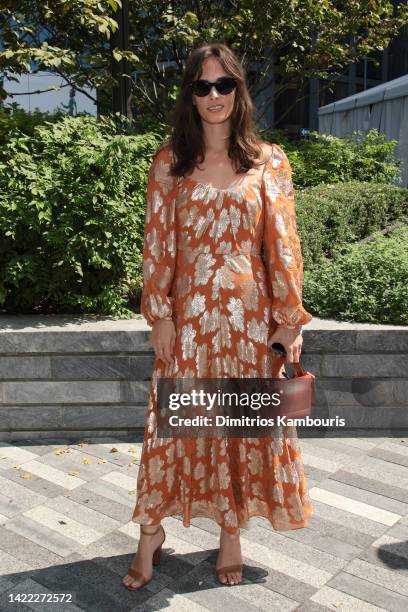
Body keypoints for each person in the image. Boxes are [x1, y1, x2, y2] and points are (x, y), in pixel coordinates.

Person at [122, 41, 314, 591]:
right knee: (174, 425)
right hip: (188, 325)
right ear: (190, 94)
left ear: (239, 91)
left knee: (236, 427)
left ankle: (230, 534)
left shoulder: (268, 161)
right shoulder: (170, 162)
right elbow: (156, 245)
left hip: (249, 324)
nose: (213, 96)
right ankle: (150, 533)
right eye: (202, 86)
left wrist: (287, 320)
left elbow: (283, 245)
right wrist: (159, 313)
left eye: (223, 85)